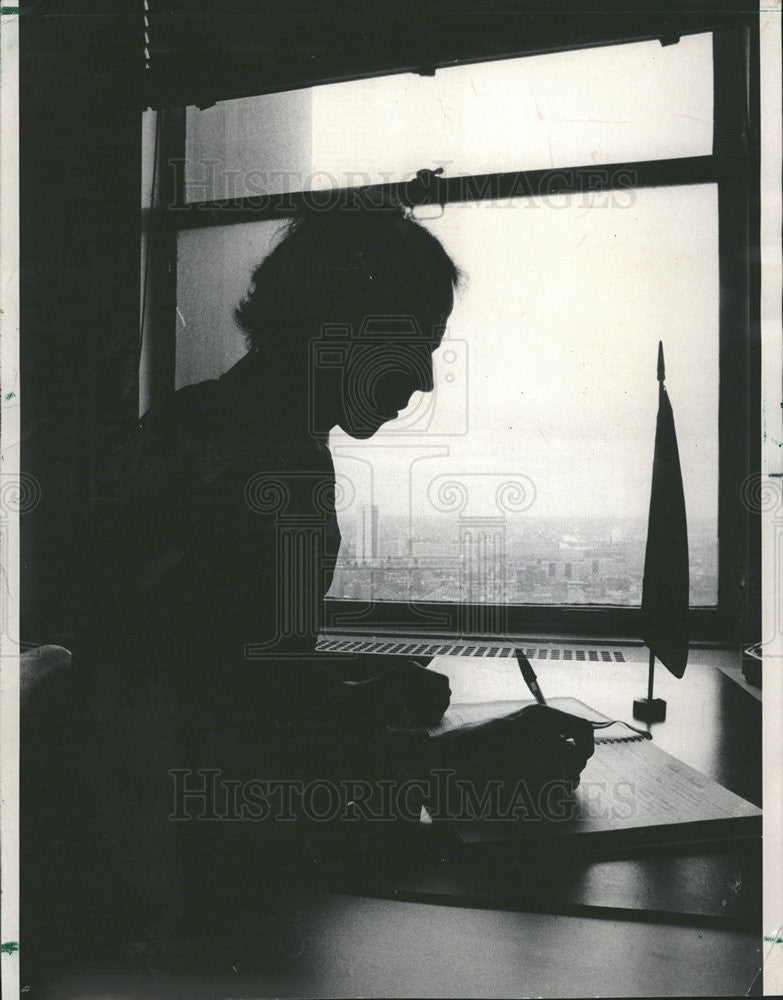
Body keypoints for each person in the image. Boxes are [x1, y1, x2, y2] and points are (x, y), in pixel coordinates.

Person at [25, 201, 594, 974]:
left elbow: (198, 665)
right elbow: (202, 745)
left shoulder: (214, 432)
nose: (423, 378)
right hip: (173, 903)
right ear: (331, 331)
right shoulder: (256, 467)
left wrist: (343, 686)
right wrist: (446, 767)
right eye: (410, 346)